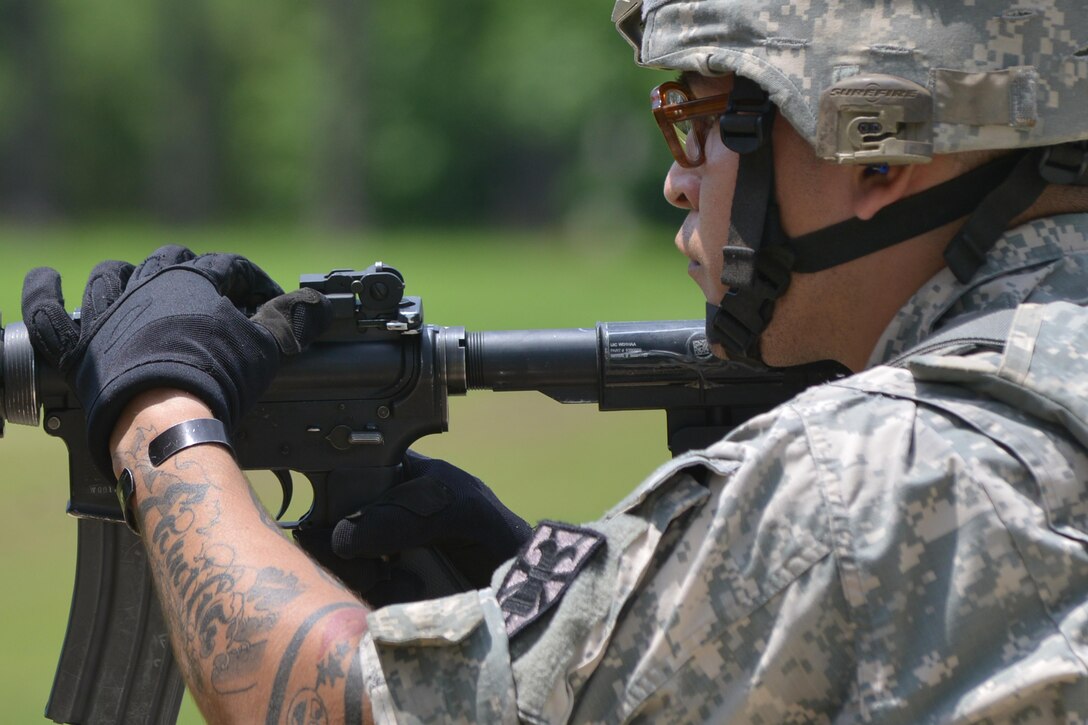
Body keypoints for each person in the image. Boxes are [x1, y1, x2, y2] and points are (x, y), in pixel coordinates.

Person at [21, 0, 1088, 721]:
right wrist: (572, 602)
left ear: (879, 148)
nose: (682, 181)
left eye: (706, 121)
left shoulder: (849, 486)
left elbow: (317, 697)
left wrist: (160, 409)